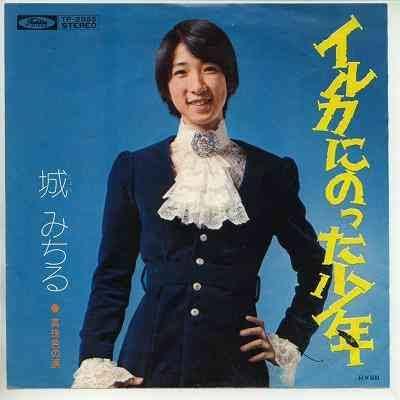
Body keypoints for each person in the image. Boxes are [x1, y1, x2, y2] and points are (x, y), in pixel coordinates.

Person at [72, 19, 331, 388]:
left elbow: (318, 268)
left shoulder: (271, 173)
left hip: (237, 373)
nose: (197, 85)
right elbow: (111, 276)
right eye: (181, 72)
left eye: (210, 68)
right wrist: (95, 361)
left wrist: (291, 337)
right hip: (146, 367)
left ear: (229, 79)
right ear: (166, 84)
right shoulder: (135, 169)